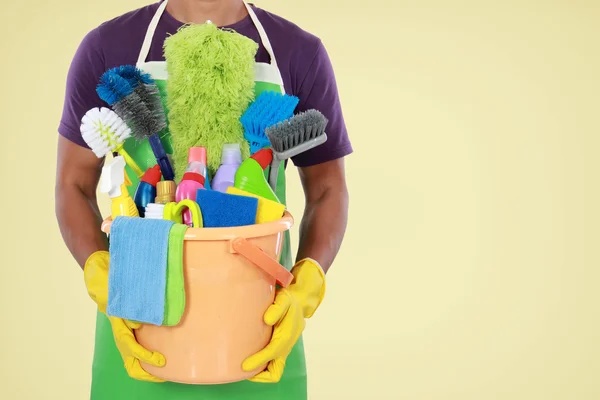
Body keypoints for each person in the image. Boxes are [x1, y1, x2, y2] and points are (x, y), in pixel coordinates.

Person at [55, 0, 352, 398]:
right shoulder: (110, 46)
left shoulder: (295, 50)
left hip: (261, 327)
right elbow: (72, 183)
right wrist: (99, 271)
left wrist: (307, 284)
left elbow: (328, 189)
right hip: (139, 323)